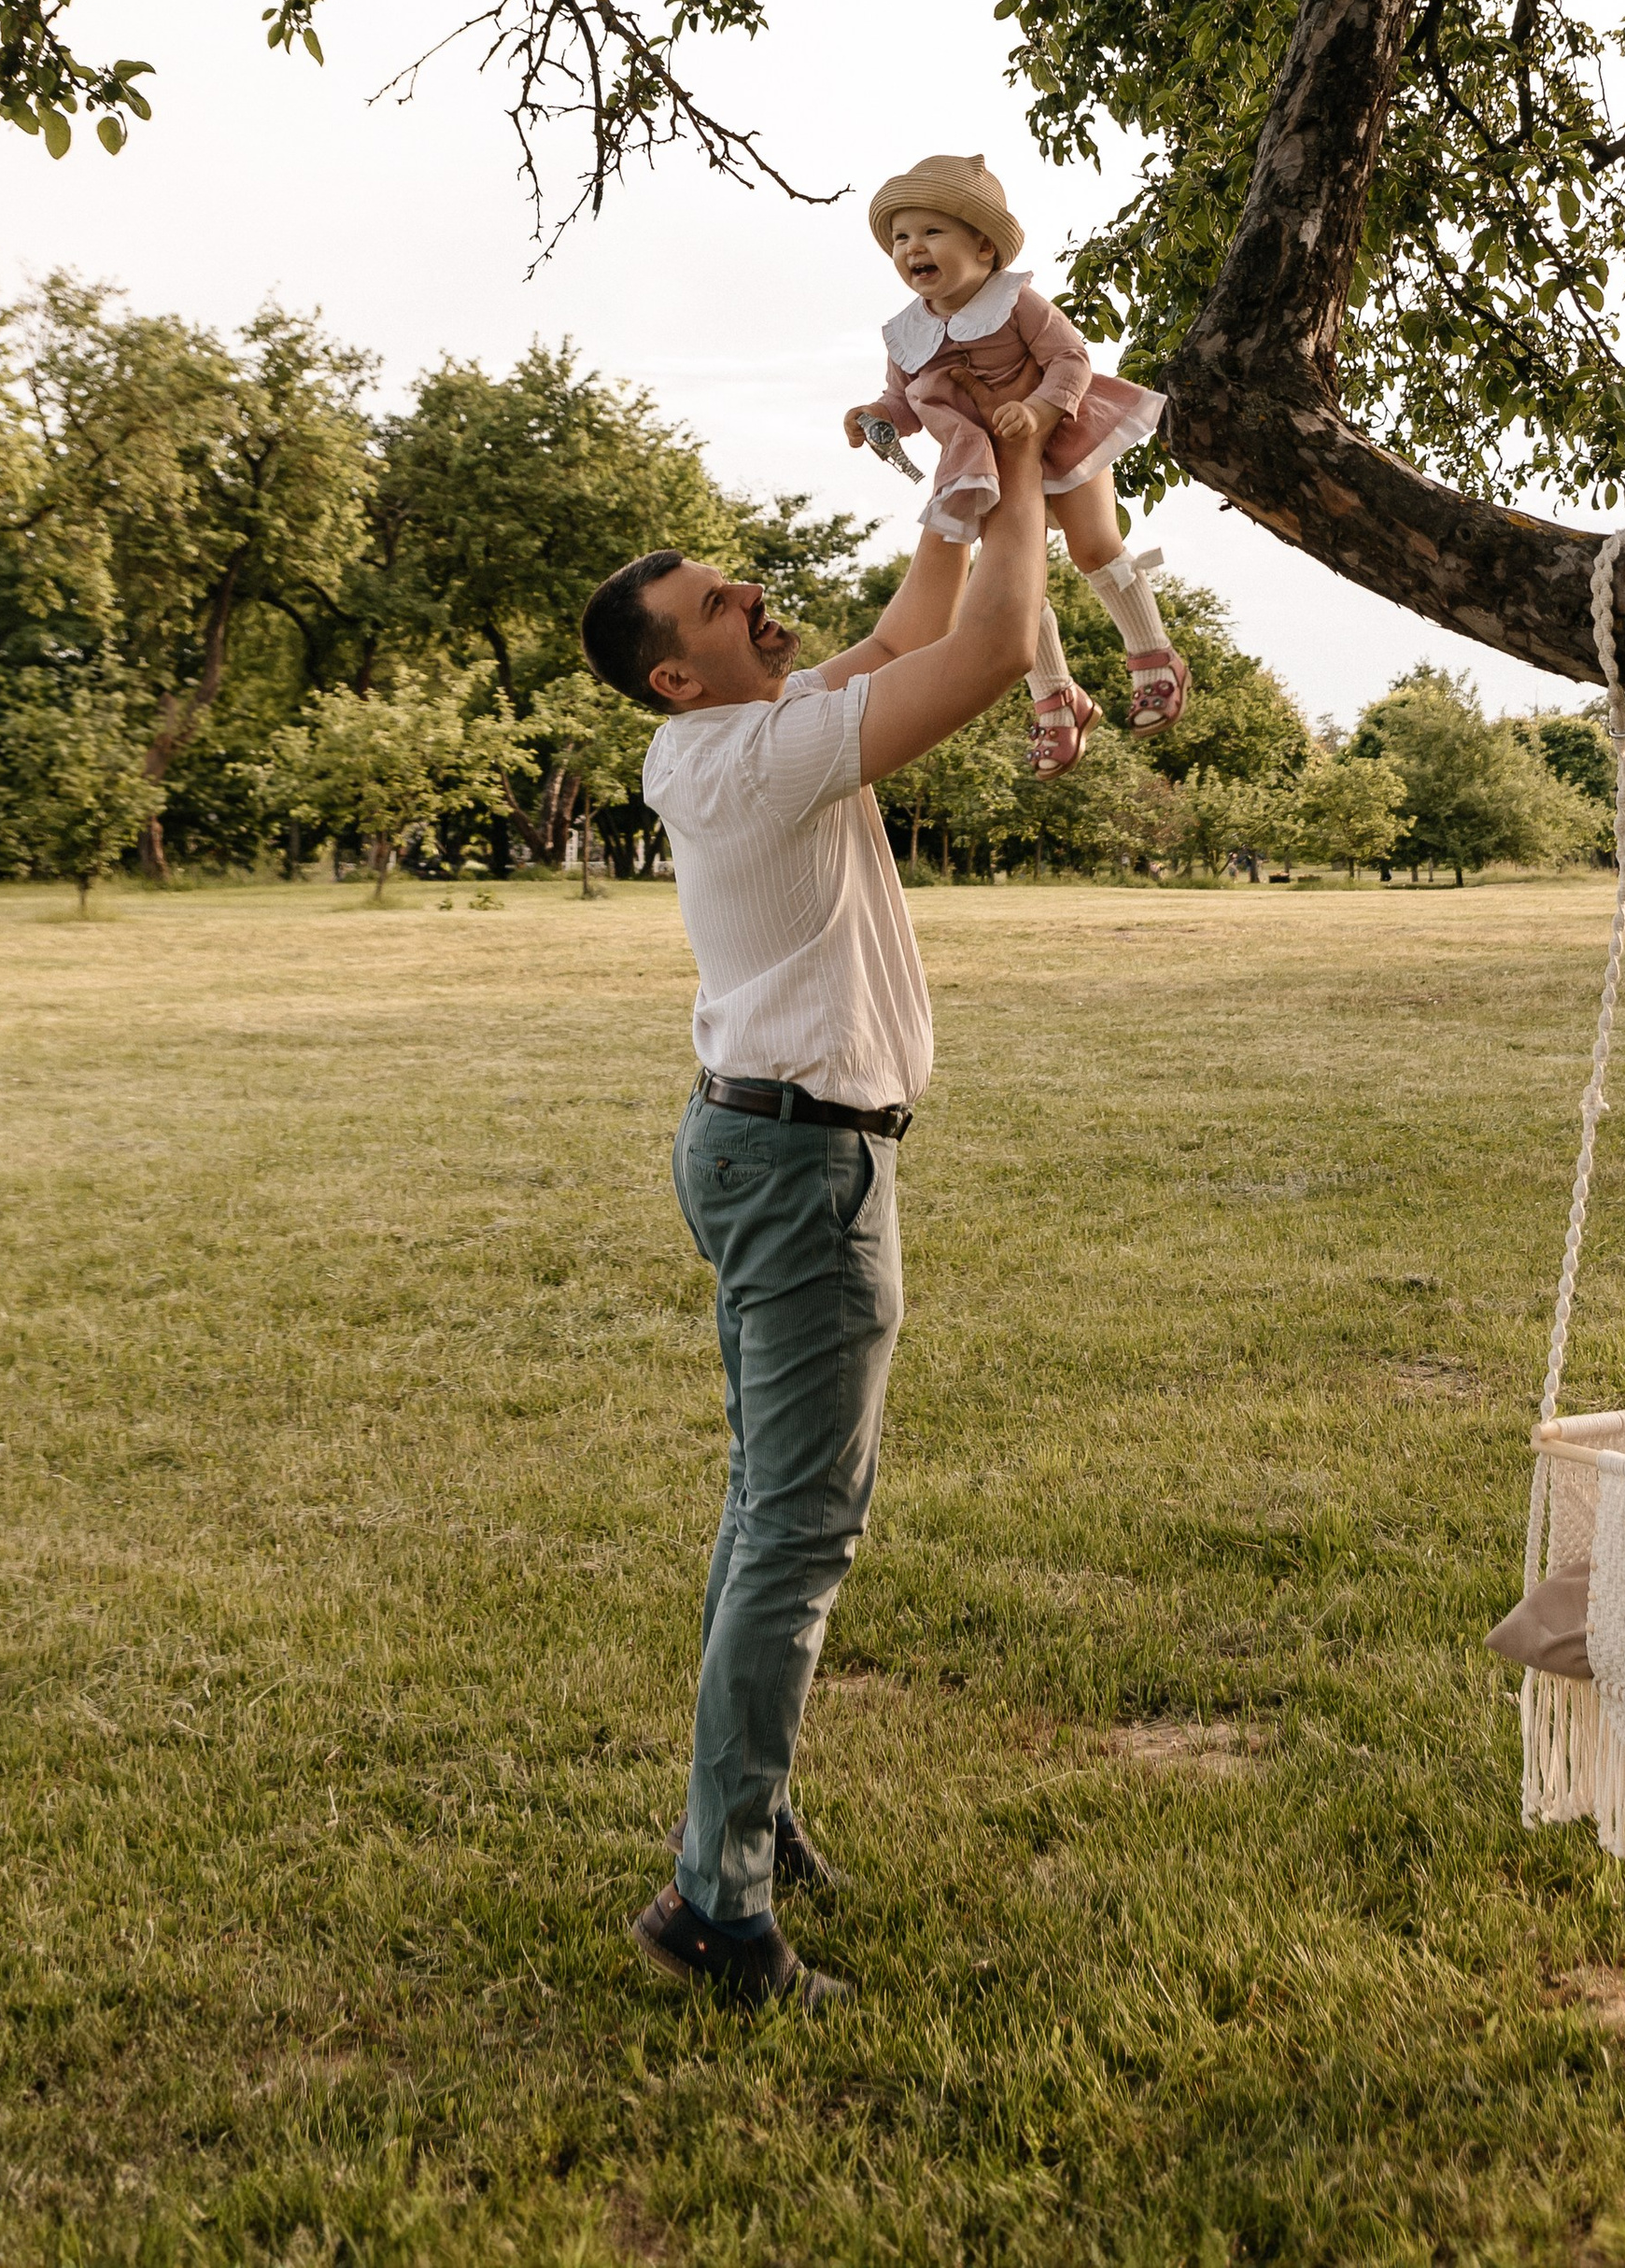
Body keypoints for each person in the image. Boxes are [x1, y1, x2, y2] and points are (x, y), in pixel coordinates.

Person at [577, 406, 1052, 2010]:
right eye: (720, 606)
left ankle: (752, 1823)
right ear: (674, 676)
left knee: (765, 1507)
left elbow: (920, 618)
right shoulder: (756, 753)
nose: (755, 599)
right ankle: (715, 1902)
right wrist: (1043, 454)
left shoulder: (731, 737)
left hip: (761, 1148)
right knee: (798, 1525)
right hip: (801, 1166)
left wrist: (967, 455)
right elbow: (986, 649)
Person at [843, 148, 1188, 776]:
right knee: (1011, 579)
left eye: (931, 231)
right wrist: (878, 417)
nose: (911, 247)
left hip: (1056, 434)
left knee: (1093, 546)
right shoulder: (905, 333)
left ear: (983, 250)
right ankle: (1055, 698)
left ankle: (1153, 653)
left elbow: (1072, 359)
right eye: (900, 237)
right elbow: (905, 402)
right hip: (985, 465)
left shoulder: (1017, 302)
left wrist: (1037, 411)